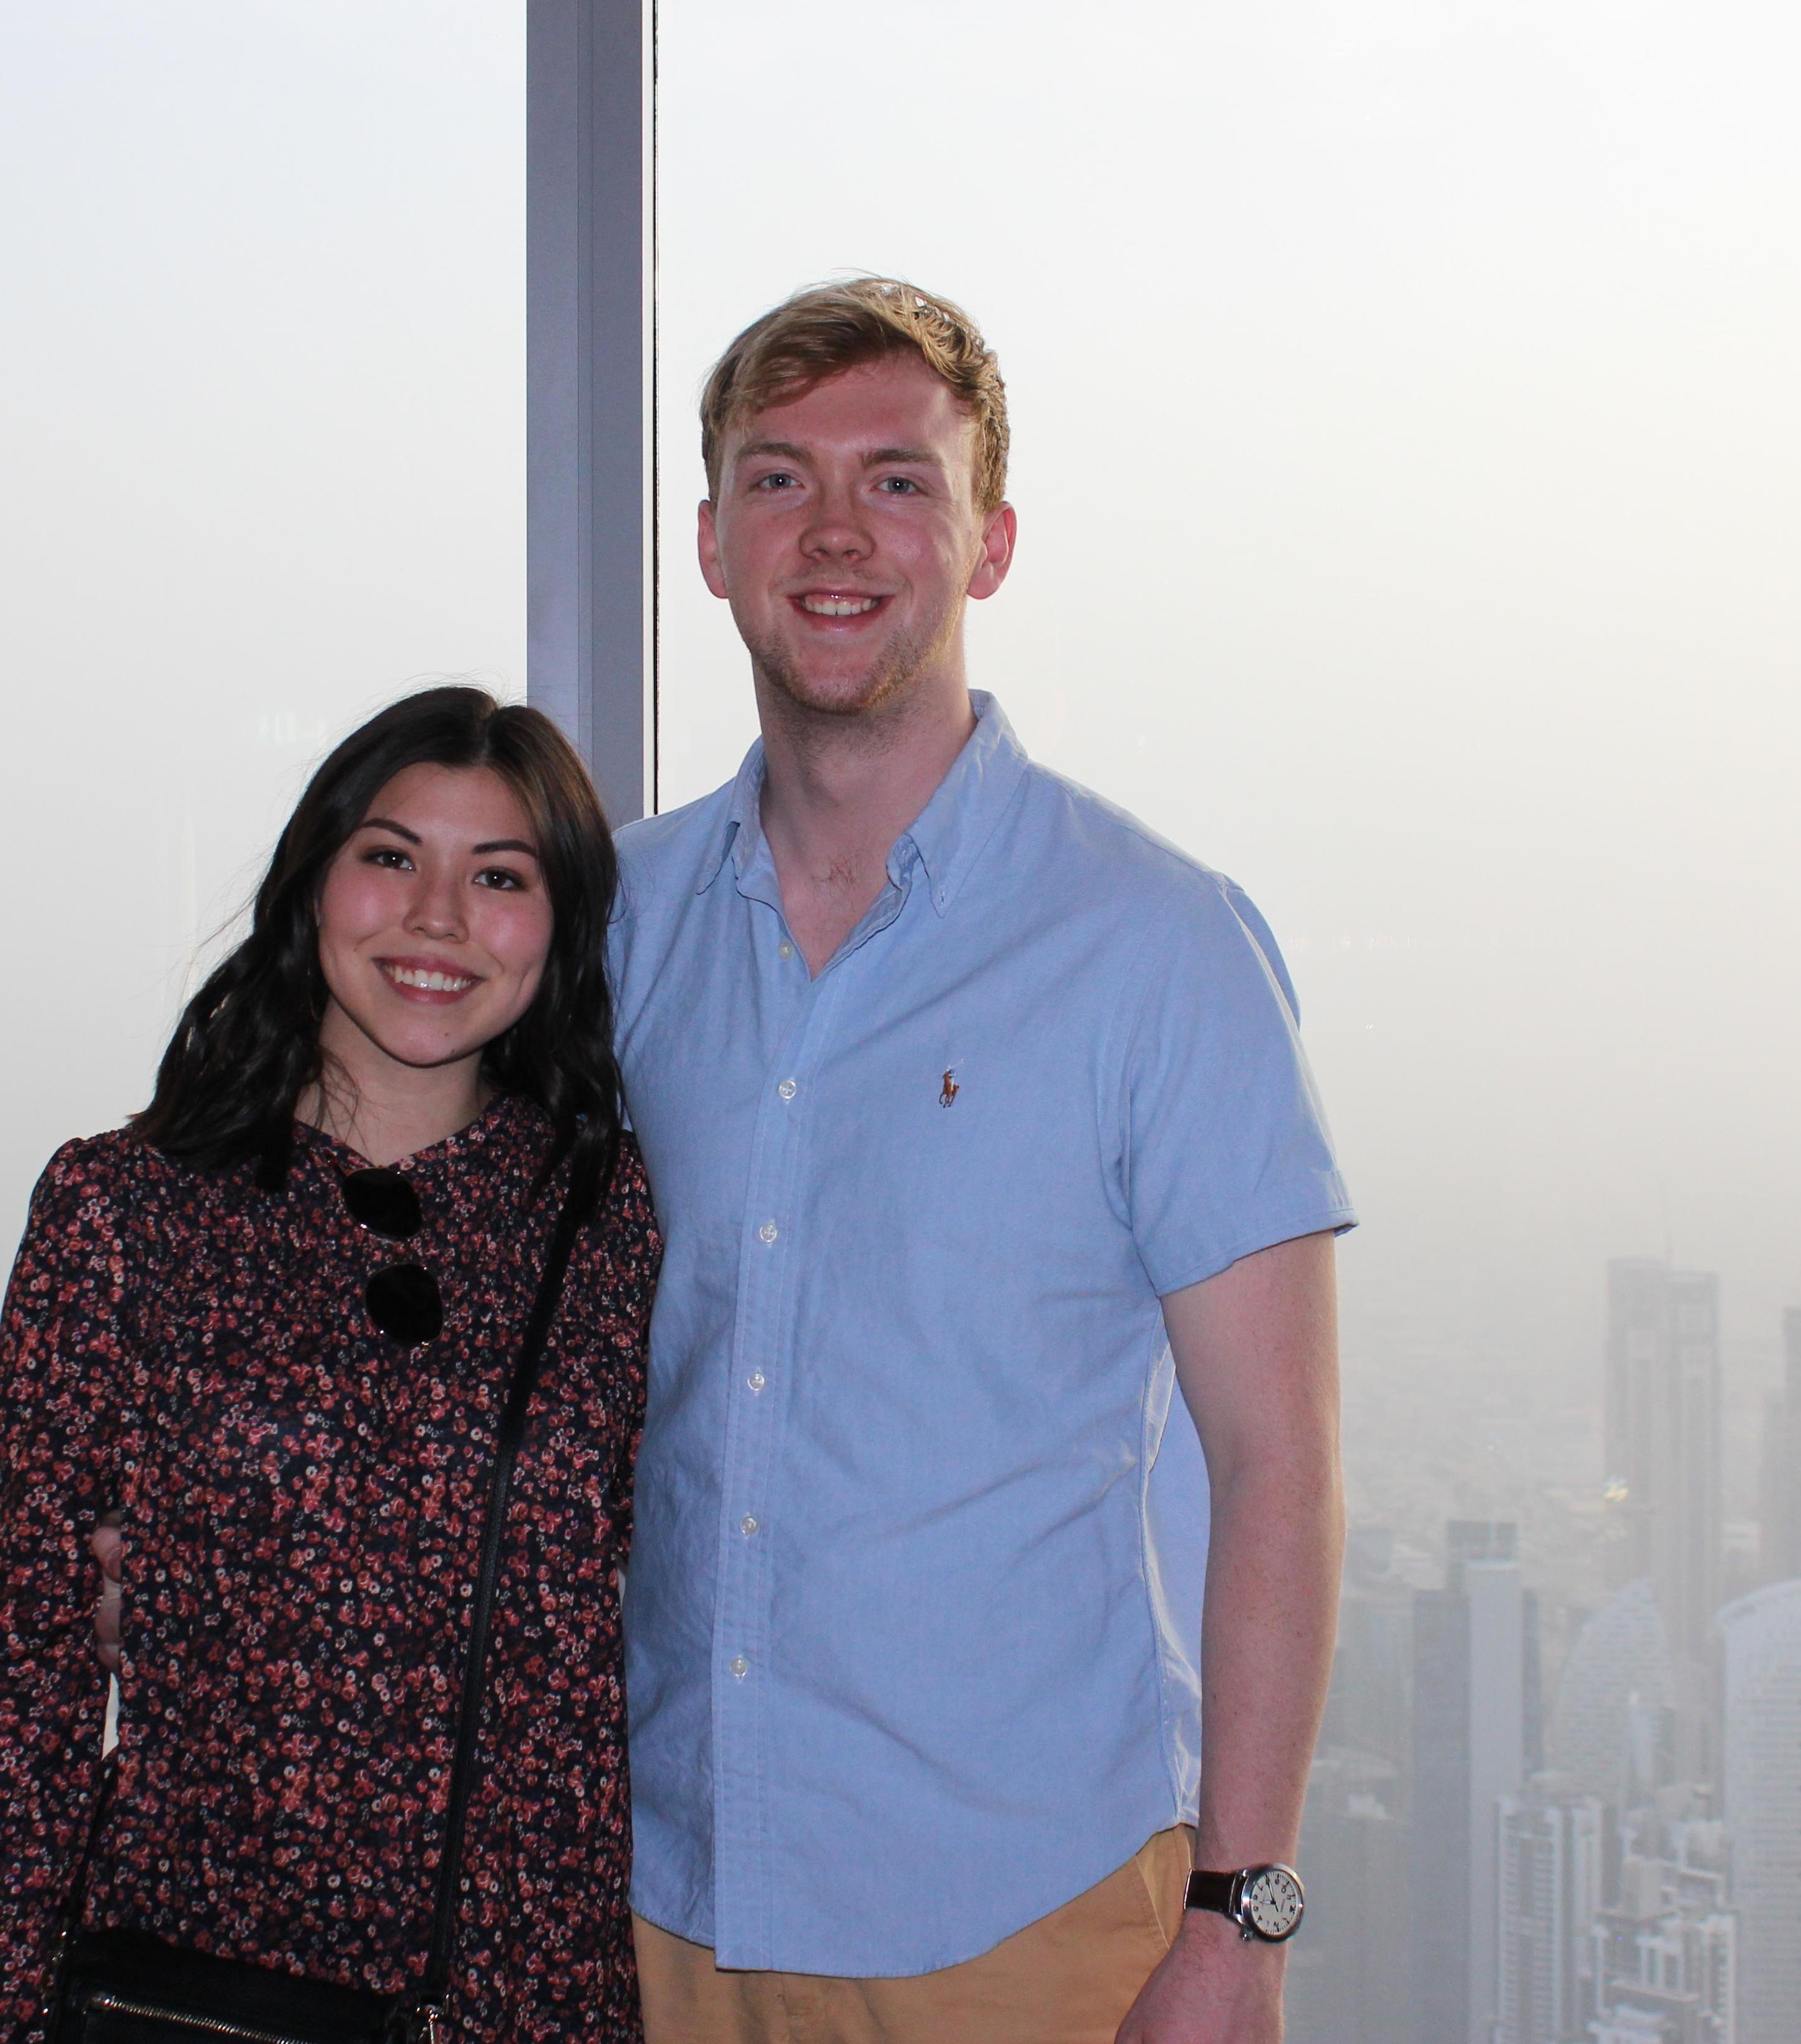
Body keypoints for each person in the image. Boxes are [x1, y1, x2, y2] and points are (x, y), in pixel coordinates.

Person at [608, 279, 1355, 2044]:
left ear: (990, 542)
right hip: (652, 1909)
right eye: (778, 480)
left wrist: (1239, 1925)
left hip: (1026, 1921)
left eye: (897, 480)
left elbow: (1279, 1466)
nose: (835, 533)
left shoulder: (1154, 944)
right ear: (710, 542)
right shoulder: (616, 925)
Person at [0, 688, 662, 2044]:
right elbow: (31, 1672)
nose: (438, 918)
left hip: (527, 1990)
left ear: (557, 923)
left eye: (498, 877)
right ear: (313, 884)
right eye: (391, 858)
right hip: (198, 1983)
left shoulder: (612, 1214)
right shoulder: (120, 1208)